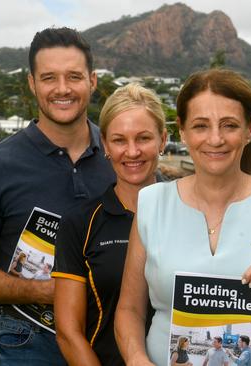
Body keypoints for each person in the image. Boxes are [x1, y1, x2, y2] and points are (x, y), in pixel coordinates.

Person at [114, 69, 251, 365]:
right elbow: (129, 310)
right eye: (201, 126)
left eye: (229, 125)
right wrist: (136, 360)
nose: (215, 139)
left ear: (250, 129)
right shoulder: (151, 203)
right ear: (182, 130)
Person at [0, 27, 115, 366]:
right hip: (32, 341)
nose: (62, 89)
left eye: (74, 77)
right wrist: (45, 291)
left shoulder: (126, 156)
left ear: (92, 81)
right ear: (32, 84)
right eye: (49, 77)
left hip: (114, 336)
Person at [52, 83, 167, 365]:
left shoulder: (195, 212)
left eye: (143, 138)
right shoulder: (80, 222)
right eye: (119, 140)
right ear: (104, 144)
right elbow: (69, 332)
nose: (132, 152)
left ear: (163, 140)